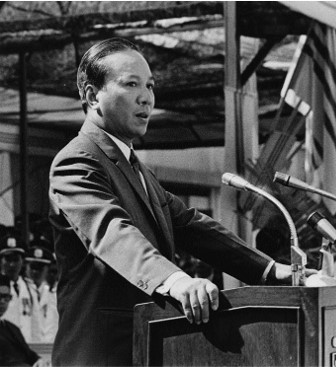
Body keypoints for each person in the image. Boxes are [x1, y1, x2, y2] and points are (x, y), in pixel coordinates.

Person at [48, 37, 303, 366]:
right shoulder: (77, 161)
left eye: (151, 86)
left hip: (147, 348)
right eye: (131, 84)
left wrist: (272, 271)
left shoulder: (136, 169)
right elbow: (113, 232)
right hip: (102, 354)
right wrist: (178, 281)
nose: (147, 98)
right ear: (92, 95)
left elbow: (193, 226)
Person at [0, 274, 47, 367]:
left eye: (6, 297)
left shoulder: (11, 328)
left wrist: (39, 361)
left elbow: (29, 354)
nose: (2, 301)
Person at [0, 230, 38, 343]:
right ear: (1, 260)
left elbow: (36, 324)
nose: (12, 264)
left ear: (22, 261)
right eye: (8, 259)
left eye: (16, 259)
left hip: (27, 349)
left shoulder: (30, 288)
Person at [24, 241, 58, 343]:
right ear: (26, 266)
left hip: (49, 347)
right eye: (33, 267)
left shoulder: (53, 292)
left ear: (47, 268)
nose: (35, 271)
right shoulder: (20, 288)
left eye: (40, 268)